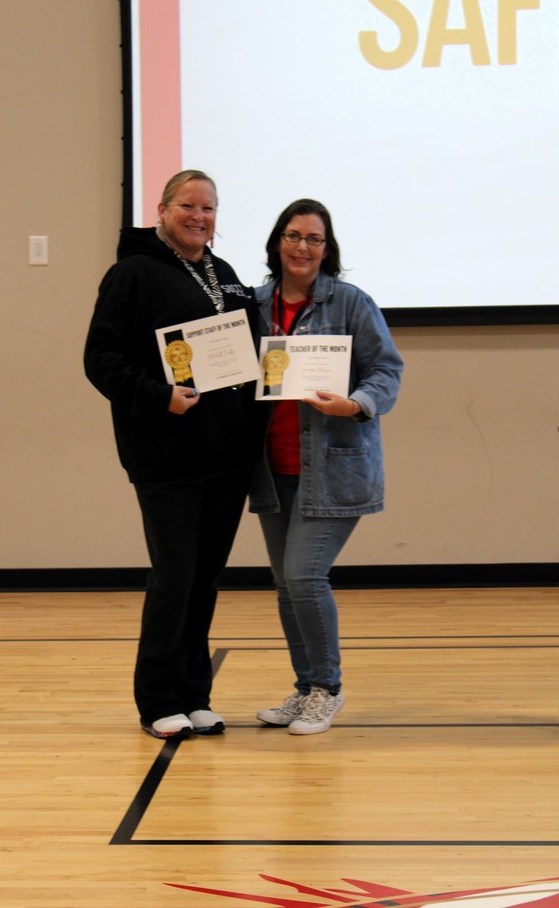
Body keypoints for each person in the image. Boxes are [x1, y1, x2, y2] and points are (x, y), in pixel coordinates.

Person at [84, 170, 260, 740]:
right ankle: (158, 698)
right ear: (162, 210)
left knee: (205, 579)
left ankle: (194, 694)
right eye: (188, 205)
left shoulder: (224, 274)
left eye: (208, 208)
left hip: (226, 457)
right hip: (166, 457)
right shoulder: (131, 273)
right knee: (175, 577)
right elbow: (101, 358)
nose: (199, 216)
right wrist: (160, 397)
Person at [249, 198, 403, 735]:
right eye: (294, 236)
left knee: (303, 575)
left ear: (327, 248)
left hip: (334, 468)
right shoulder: (254, 302)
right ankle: (304, 688)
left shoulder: (351, 303)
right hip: (273, 468)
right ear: (277, 242)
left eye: (314, 239)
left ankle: (328, 690)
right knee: (286, 584)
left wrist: (356, 403)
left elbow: (387, 371)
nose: (303, 247)